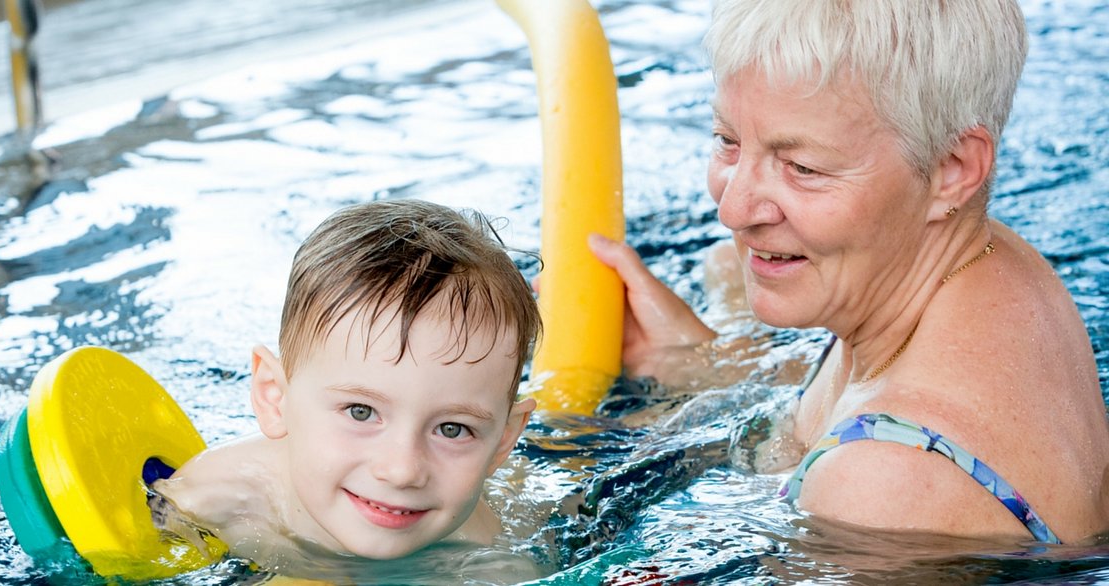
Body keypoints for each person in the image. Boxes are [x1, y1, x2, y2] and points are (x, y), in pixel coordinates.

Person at [588, 0, 1109, 544]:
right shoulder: (989, 268)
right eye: (728, 140)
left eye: (803, 167)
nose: (733, 210)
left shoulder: (883, 491)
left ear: (952, 169)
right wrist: (695, 364)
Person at [150, 199, 542, 577]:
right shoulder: (211, 498)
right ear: (276, 397)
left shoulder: (488, 560)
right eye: (361, 411)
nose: (402, 470)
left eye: (453, 429)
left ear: (503, 441)